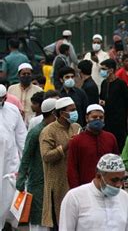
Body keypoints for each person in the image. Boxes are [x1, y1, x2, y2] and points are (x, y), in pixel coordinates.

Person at [39, 97, 81, 228]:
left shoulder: (76, 127)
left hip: (74, 181)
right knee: (59, 221)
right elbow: (46, 156)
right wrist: (66, 146)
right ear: (62, 113)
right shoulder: (48, 131)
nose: (75, 112)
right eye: (72, 110)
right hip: (57, 184)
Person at [59, 154, 128, 230]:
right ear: (99, 176)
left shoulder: (124, 197)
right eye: (114, 180)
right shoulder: (75, 197)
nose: (119, 185)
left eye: (122, 179)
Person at [17, 98, 56, 231]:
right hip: (38, 181)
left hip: (52, 180)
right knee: (38, 216)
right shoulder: (36, 132)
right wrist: (21, 179)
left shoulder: (55, 130)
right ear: (53, 113)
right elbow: (26, 156)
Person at [67, 104, 119, 188]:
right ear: (87, 118)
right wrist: (76, 190)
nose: (98, 120)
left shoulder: (110, 138)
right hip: (85, 188)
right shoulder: (76, 141)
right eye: (94, 117)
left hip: (107, 187)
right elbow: (72, 169)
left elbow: (116, 164)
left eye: (101, 117)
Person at [0, 84, 26, 228]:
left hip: (10, 162)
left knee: (9, 196)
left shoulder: (13, 110)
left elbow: (21, 138)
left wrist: (25, 163)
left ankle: (9, 224)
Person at [99, 58, 128, 149]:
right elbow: (102, 99)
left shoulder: (121, 84)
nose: (101, 71)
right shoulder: (104, 83)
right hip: (107, 121)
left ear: (111, 70)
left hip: (119, 122)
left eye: (104, 69)